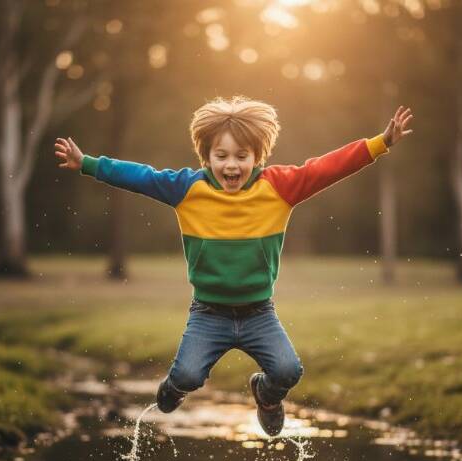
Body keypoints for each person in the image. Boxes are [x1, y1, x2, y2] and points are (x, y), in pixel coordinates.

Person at [54, 96, 413, 436]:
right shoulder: (186, 188)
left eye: (242, 156)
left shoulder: (280, 187)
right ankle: (175, 386)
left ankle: (266, 396)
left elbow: (326, 168)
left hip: (259, 314)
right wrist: (88, 163)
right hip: (208, 315)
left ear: (257, 156)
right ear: (206, 156)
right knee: (189, 376)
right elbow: (141, 176)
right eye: (221, 155)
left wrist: (380, 143)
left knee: (288, 370)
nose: (231, 165)